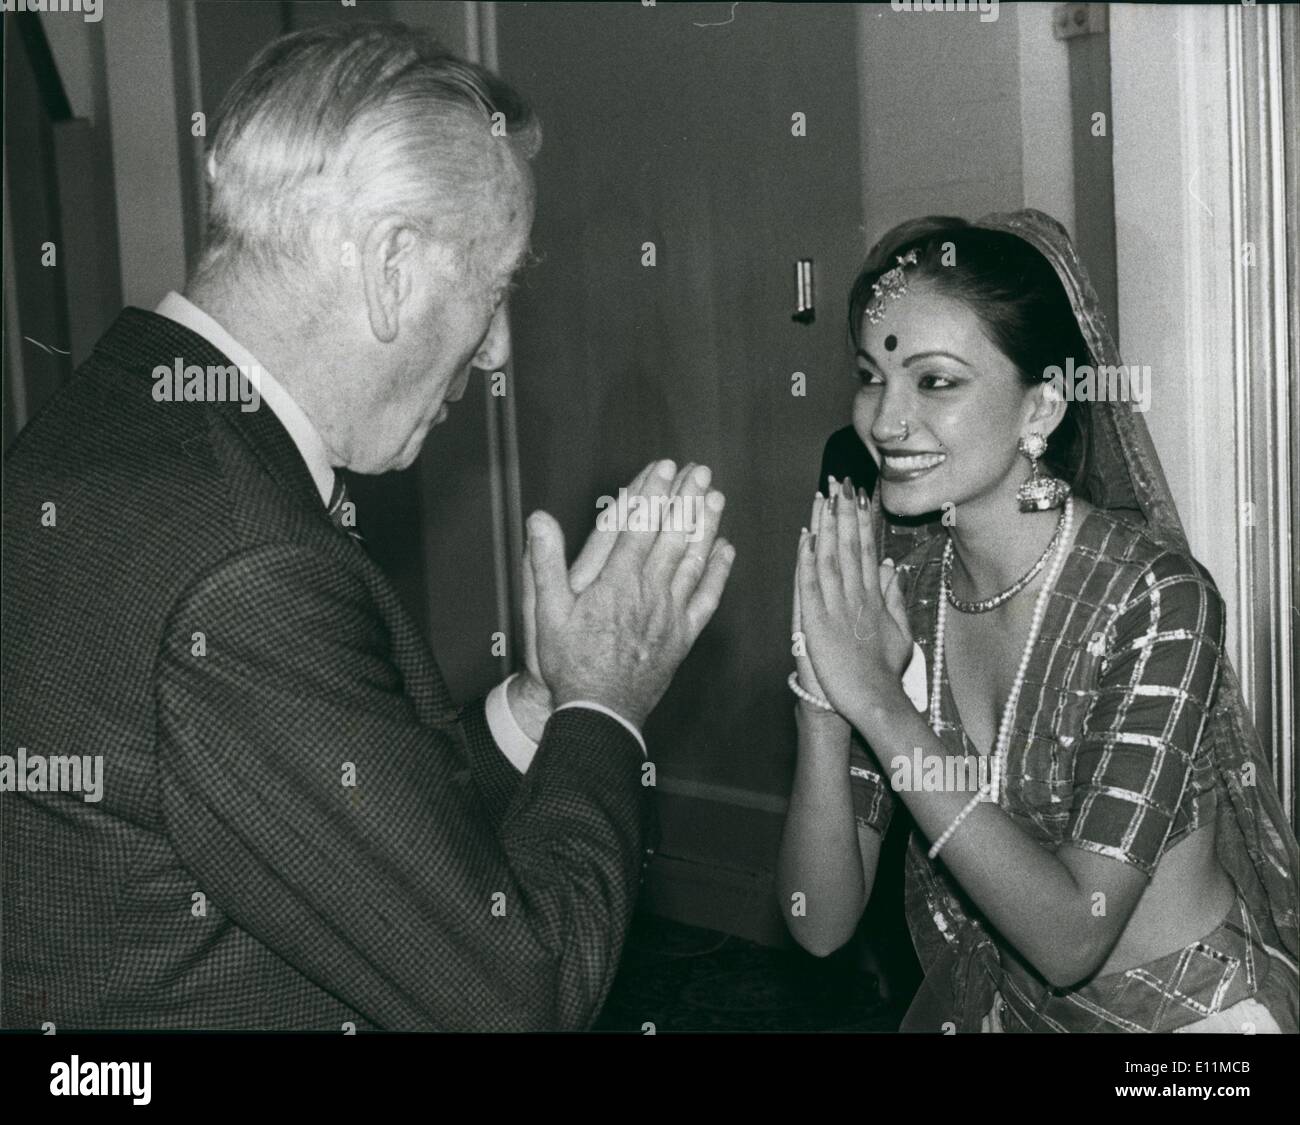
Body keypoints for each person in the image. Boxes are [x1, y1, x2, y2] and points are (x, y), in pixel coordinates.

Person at [0, 21, 735, 1031]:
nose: (497, 352)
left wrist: (542, 701)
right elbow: (520, 997)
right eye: (499, 286)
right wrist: (606, 708)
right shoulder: (250, 565)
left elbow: (336, 817)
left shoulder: (113, 417)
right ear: (393, 262)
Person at [778, 209, 1299, 1032]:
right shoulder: (906, 587)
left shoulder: (1158, 599)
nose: (883, 421)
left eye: (936, 380)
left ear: (1042, 406)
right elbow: (819, 920)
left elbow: (1071, 936)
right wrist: (823, 699)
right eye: (872, 376)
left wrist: (879, 704)